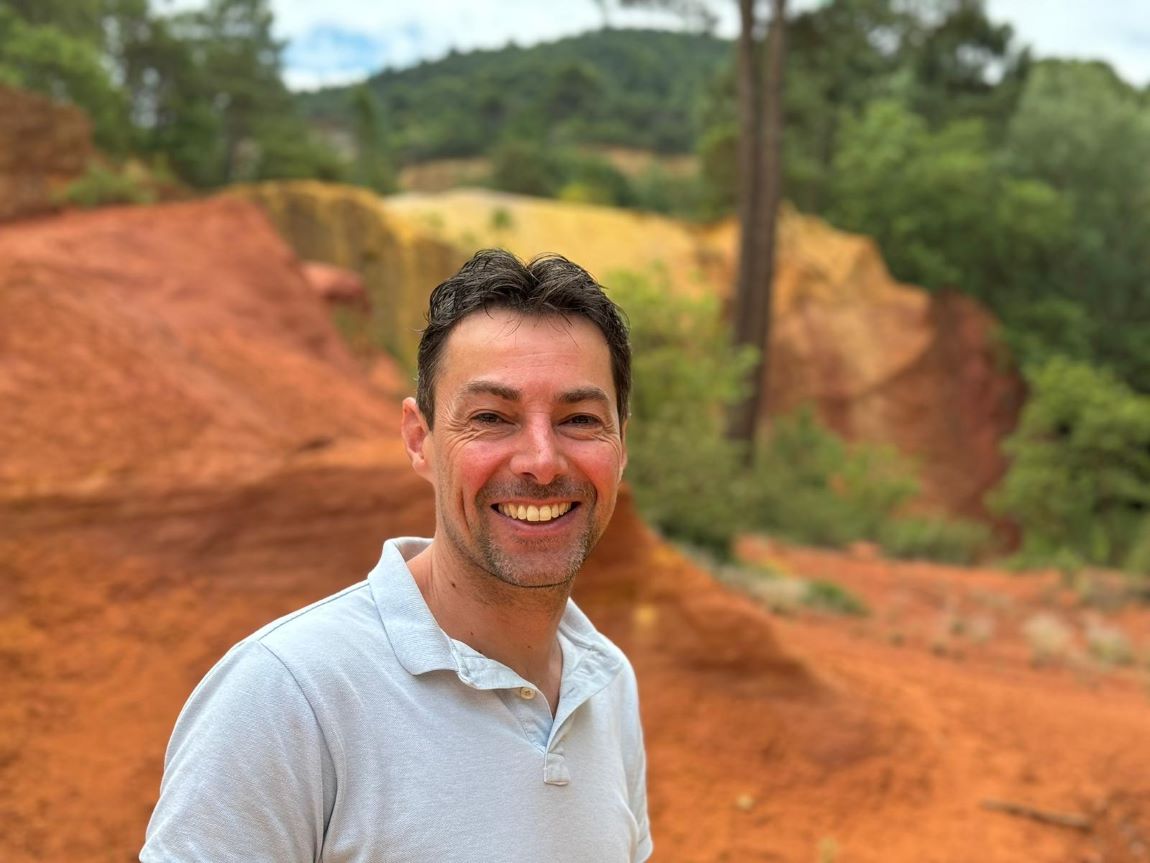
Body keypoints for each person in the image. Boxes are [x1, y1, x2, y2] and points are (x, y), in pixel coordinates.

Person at [141, 249, 652, 863]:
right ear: (420, 440)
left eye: (580, 419)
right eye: (492, 417)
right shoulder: (287, 695)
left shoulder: (605, 683)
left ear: (622, 442)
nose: (541, 461)